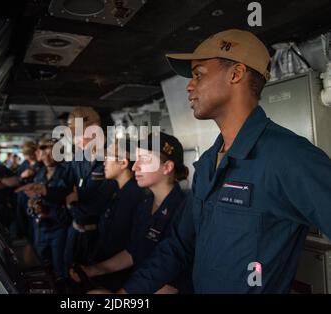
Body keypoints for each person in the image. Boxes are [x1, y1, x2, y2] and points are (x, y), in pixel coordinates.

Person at [118, 29, 331, 294]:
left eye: (198, 74)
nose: (189, 85)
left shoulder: (289, 157)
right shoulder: (209, 163)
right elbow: (180, 246)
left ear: (236, 74)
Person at [70, 132, 192, 294]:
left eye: (145, 159)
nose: (135, 166)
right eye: (137, 159)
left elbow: (173, 279)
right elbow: (133, 251)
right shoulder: (145, 205)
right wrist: (94, 270)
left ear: (167, 167)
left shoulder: (185, 210)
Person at [17, 107, 117, 270]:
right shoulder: (79, 159)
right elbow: (65, 188)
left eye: (78, 135)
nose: (75, 141)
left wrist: (74, 202)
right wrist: (43, 190)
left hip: (100, 235)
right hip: (76, 232)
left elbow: (101, 204)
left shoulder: (113, 158)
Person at [28, 139, 71, 281]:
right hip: (41, 228)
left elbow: (64, 194)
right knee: (41, 270)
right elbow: (34, 195)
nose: (47, 156)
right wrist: (33, 204)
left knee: (61, 270)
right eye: (44, 152)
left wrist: (46, 194)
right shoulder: (39, 174)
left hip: (60, 227)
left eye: (51, 152)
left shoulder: (67, 172)